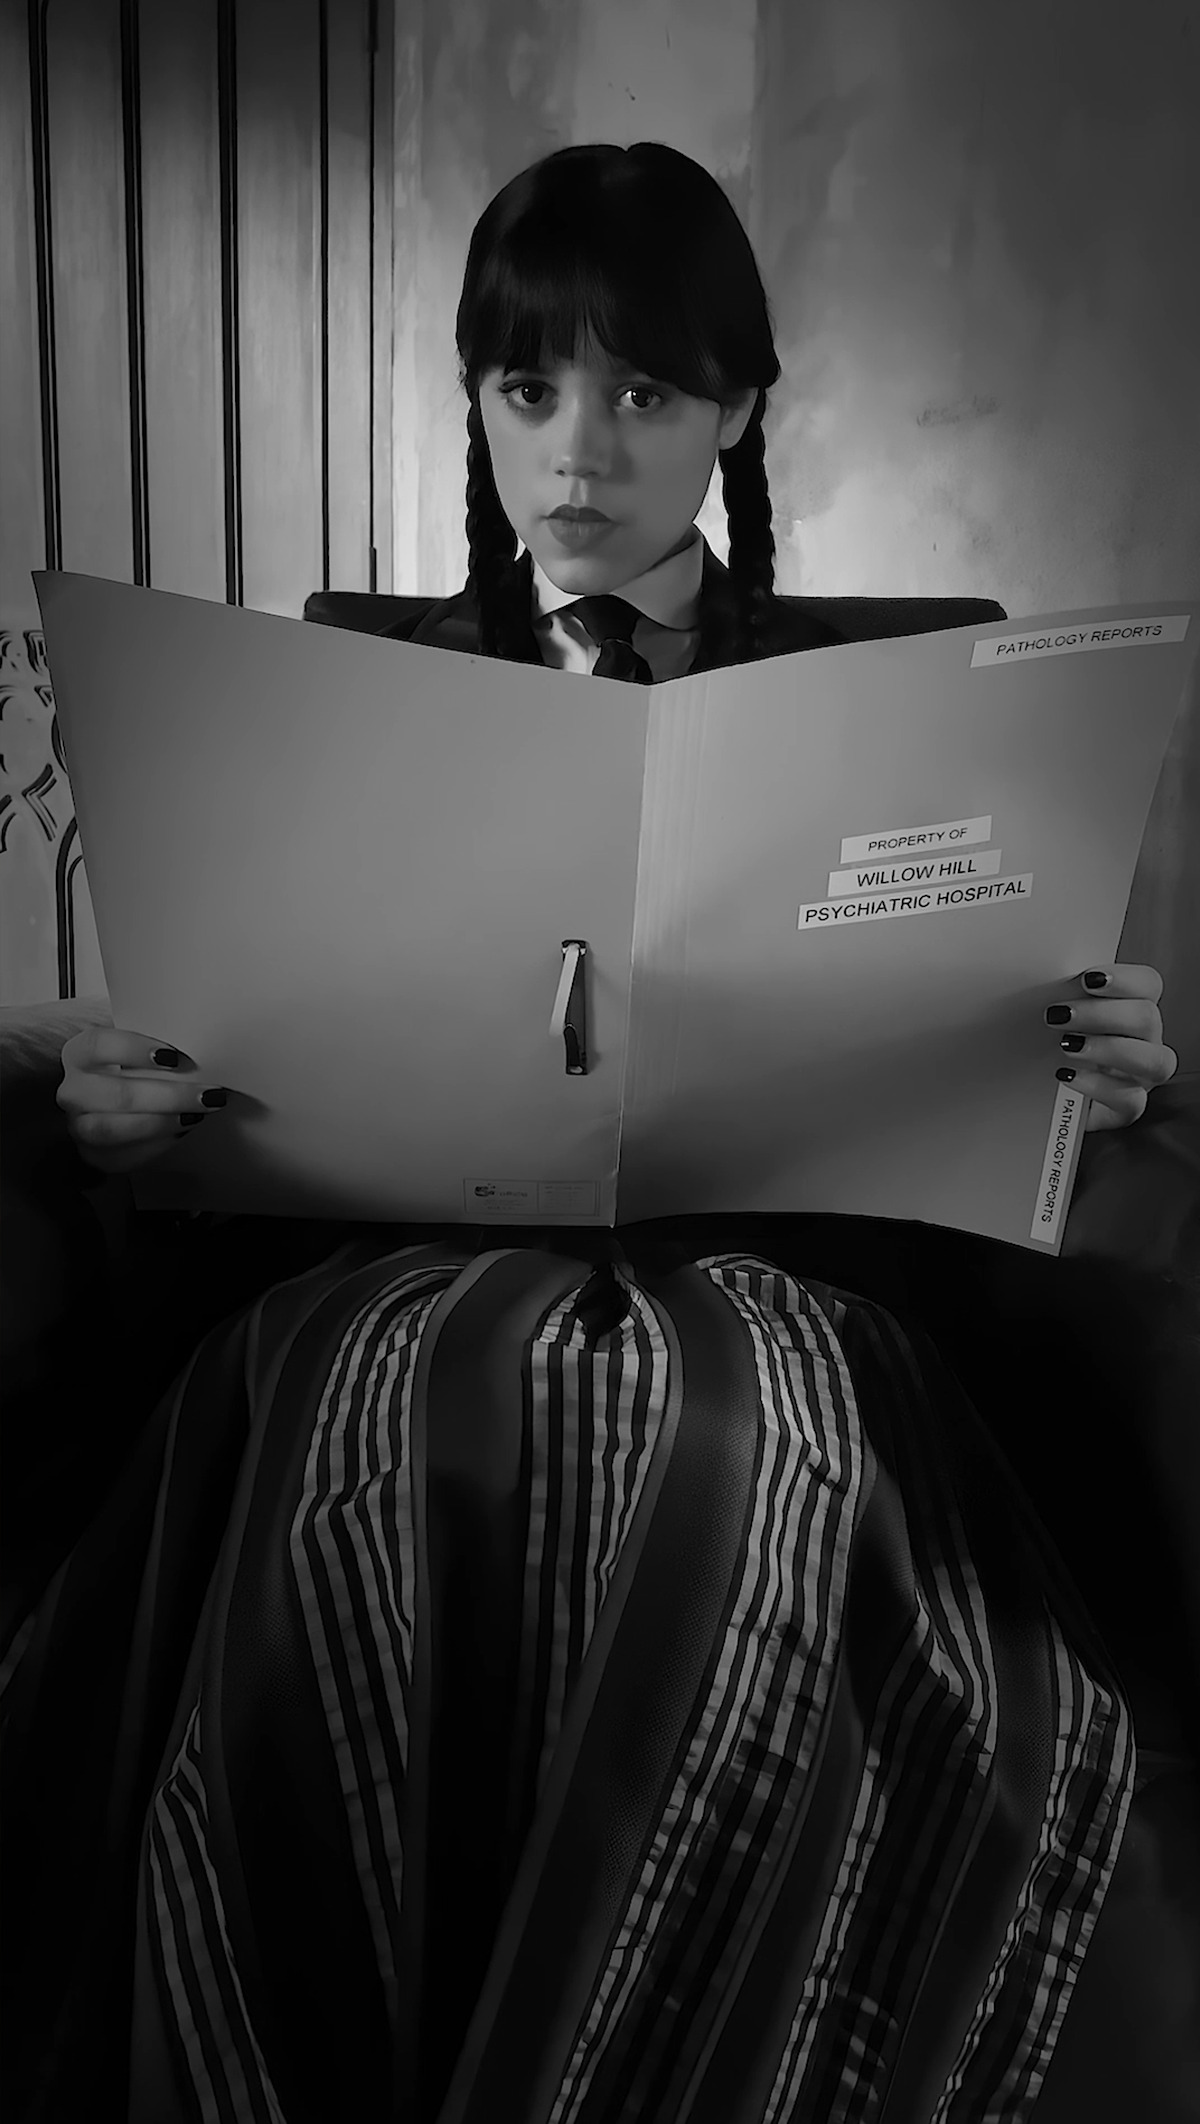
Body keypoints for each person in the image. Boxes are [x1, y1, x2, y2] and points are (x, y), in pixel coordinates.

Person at [1, 142, 1187, 2124]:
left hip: (796, 1297)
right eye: (529, 386)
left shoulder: (889, 696)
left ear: (733, 411)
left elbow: (1003, 1115)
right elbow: (231, 1087)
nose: (581, 449)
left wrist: (1093, 1062)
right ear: (475, 400)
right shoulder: (363, 683)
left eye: (643, 391)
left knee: (735, 1442)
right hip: (394, 1276)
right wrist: (143, 1116)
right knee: (405, 1422)